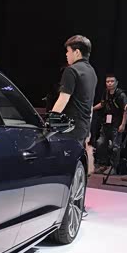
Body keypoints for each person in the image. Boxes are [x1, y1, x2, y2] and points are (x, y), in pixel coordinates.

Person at [50, 35, 98, 176]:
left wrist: (49, 122)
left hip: (68, 128)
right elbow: (90, 105)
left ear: (77, 52)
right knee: (74, 168)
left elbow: (63, 99)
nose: (66, 54)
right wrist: (88, 130)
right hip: (83, 128)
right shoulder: (92, 72)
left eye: (68, 51)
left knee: (60, 169)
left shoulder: (71, 70)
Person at [93, 74, 127, 173]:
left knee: (115, 147)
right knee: (100, 143)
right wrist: (92, 109)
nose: (109, 83)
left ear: (116, 83)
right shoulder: (106, 93)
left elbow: (126, 110)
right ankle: (103, 164)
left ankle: (113, 167)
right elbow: (102, 103)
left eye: (112, 81)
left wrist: (123, 124)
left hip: (117, 123)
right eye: (107, 81)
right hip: (106, 123)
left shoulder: (121, 95)